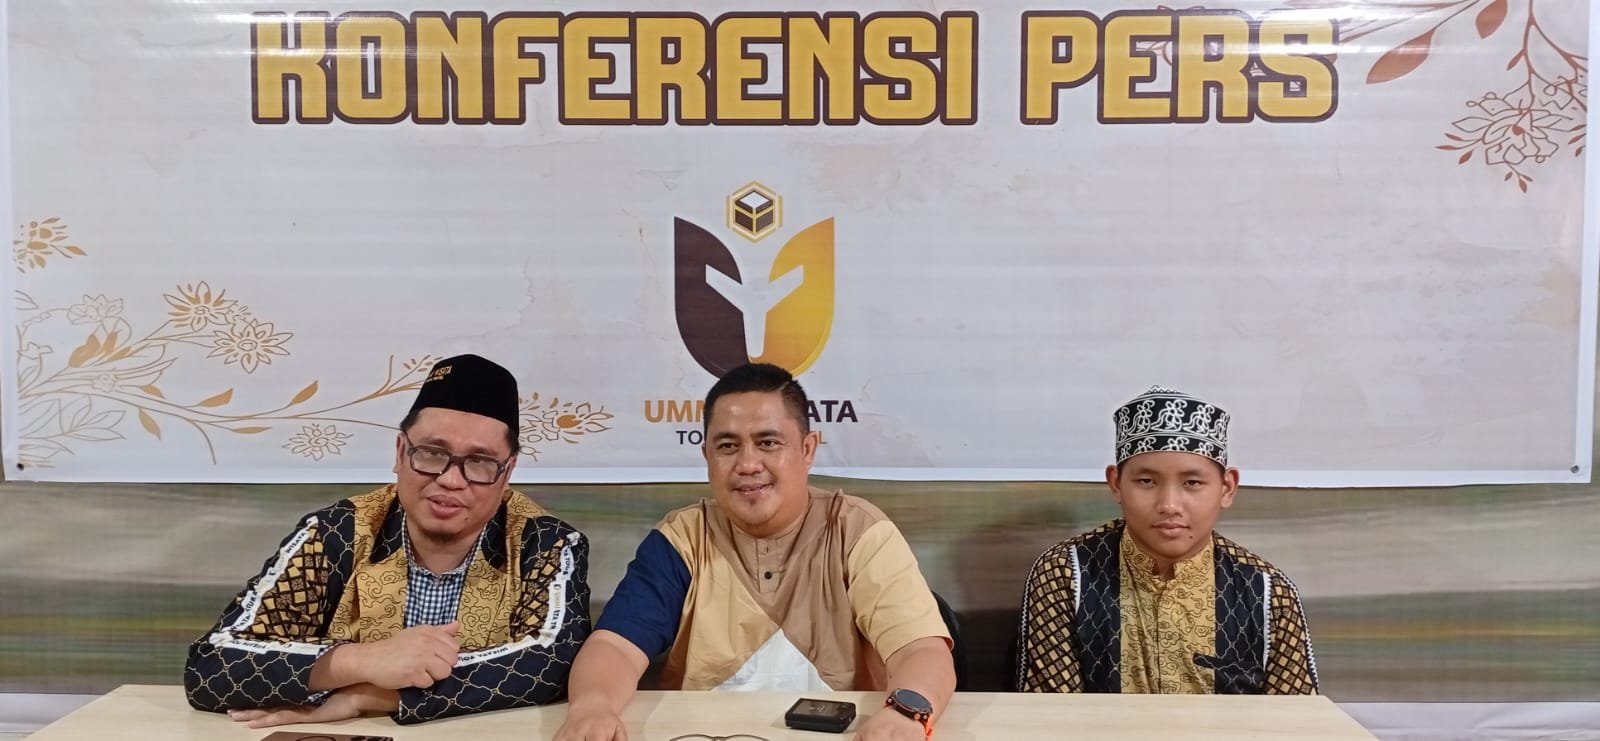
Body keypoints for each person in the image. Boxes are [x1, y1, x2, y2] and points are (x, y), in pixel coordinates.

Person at [183, 354, 590, 725]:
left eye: (480, 462)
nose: (451, 480)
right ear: (399, 452)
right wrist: (361, 661)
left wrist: (369, 697)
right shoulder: (337, 533)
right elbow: (212, 665)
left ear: (507, 472)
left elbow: (553, 663)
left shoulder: (546, 544)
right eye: (432, 453)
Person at [555, 363, 953, 741]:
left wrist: (905, 713)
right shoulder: (681, 539)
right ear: (707, 456)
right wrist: (592, 708)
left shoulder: (857, 530)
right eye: (728, 446)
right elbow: (615, 646)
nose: (747, 464)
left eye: (768, 443)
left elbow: (921, 648)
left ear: (808, 449)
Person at [1015, 385, 1318, 694]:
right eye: (1146, 481)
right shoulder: (1067, 574)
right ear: (1116, 483)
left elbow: (1296, 718)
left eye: (1192, 483)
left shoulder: (1267, 592)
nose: (1169, 505)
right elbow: (1051, 712)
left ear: (1226, 488)